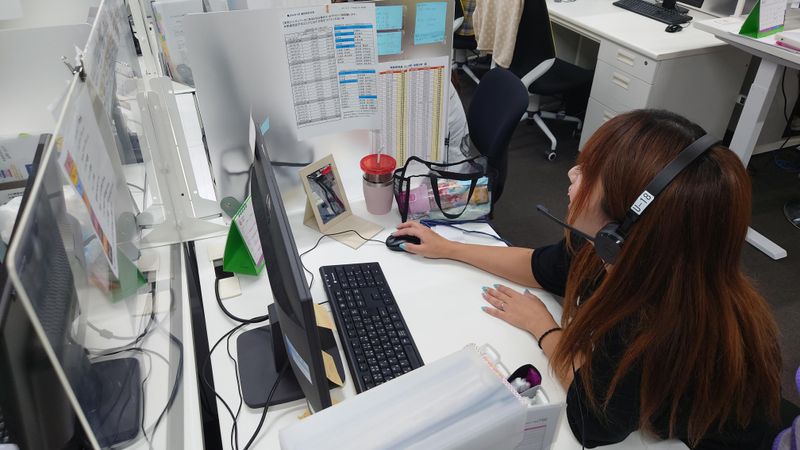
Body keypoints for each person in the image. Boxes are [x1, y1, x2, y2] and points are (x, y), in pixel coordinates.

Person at [391, 109, 783, 449]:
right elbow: (539, 267)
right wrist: (450, 248)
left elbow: (591, 420)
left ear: (626, 222)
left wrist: (544, 328)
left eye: (590, 173)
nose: (571, 172)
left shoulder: (659, 319)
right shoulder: (619, 250)